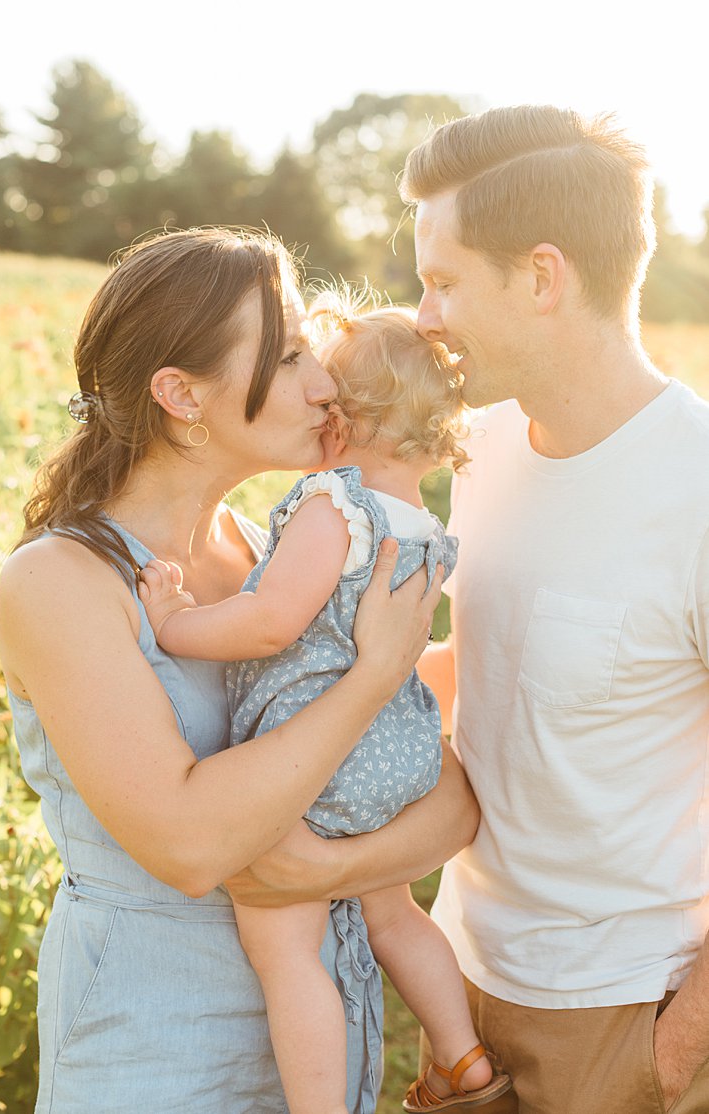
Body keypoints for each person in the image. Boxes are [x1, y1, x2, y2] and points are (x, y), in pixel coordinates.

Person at [0, 227, 480, 1113]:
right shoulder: (59, 580)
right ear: (182, 394)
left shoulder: (276, 567)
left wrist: (331, 871)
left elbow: (448, 804)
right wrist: (372, 679)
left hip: (324, 1049)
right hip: (158, 1057)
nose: (325, 383)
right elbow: (189, 846)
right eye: (290, 356)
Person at [404, 105, 709, 1113]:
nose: (424, 315)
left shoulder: (697, 491)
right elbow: (493, 661)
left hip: (618, 1015)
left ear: (541, 277)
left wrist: (665, 1060)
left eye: (443, 281)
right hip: (457, 981)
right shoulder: (483, 446)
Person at [137, 288, 508, 1113]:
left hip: (327, 759)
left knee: (285, 949)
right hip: (401, 752)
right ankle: (462, 1056)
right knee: (397, 915)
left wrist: (176, 623)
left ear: (344, 418)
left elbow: (271, 624)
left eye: (323, 388)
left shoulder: (333, 505)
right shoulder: (419, 523)